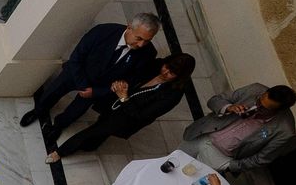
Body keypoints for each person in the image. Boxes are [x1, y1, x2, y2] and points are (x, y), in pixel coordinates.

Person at [21, 13, 161, 130]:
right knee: (52, 92)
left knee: (75, 112)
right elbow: (77, 57)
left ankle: (57, 127)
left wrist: (95, 92)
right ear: (129, 27)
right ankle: (38, 111)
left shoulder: (148, 53)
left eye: (147, 41)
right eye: (139, 38)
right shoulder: (102, 32)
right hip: (77, 72)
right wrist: (83, 86)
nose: (141, 44)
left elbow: (129, 81)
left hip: (99, 88)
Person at [46, 52, 196, 161]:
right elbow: (134, 75)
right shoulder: (156, 65)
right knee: (100, 125)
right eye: (166, 67)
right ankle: (92, 145)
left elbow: (142, 115)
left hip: (127, 117)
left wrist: (124, 98)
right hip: (116, 103)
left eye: (172, 73)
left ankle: (60, 152)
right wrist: (123, 85)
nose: (165, 72)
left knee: (92, 131)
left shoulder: (172, 95)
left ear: (180, 76)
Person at [179, 83, 296, 173]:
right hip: (202, 135)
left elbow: (262, 158)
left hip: (220, 157)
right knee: (174, 162)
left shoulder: (284, 130)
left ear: (278, 110)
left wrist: (231, 166)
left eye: (264, 108)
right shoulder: (255, 89)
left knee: (189, 180)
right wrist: (229, 107)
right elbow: (214, 100)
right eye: (259, 100)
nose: (257, 106)